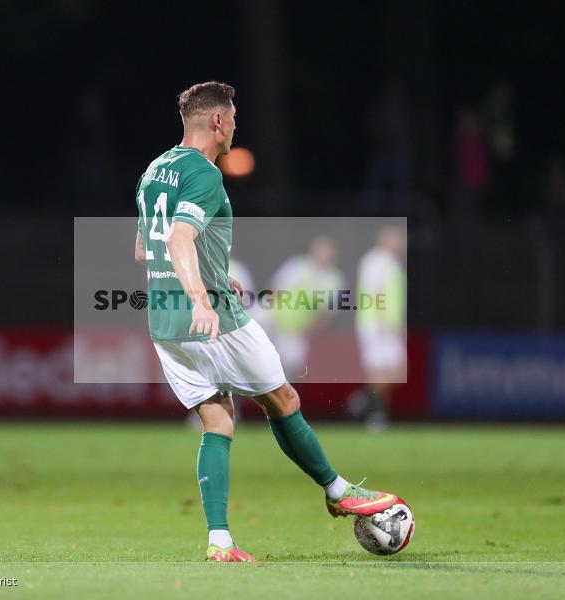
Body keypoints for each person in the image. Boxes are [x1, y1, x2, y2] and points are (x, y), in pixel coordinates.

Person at [134, 81, 398, 562]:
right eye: (233, 117)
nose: (236, 125)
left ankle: (220, 542)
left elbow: (143, 248)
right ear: (217, 121)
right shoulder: (205, 173)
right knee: (283, 397)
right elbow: (177, 241)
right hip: (207, 316)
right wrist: (202, 297)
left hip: (161, 321)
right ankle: (339, 490)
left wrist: (212, 278)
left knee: (217, 418)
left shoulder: (154, 170)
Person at [261, 236, 346, 380]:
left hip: (296, 332)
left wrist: (309, 329)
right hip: (273, 321)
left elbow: (326, 314)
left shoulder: (335, 279)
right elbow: (274, 288)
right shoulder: (297, 265)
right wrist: (272, 314)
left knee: (290, 367)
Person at [348, 225, 407, 430]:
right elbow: (374, 292)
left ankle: (367, 402)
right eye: (396, 239)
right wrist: (382, 321)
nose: (400, 243)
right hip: (376, 324)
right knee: (382, 371)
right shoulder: (376, 261)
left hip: (388, 325)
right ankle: (373, 411)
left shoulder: (391, 263)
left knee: (394, 372)